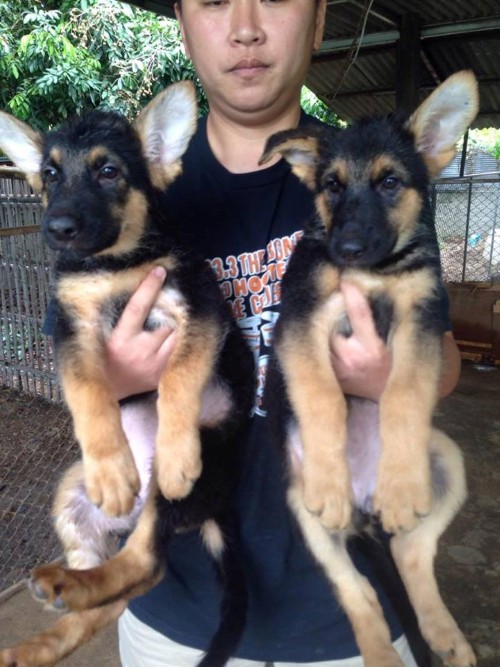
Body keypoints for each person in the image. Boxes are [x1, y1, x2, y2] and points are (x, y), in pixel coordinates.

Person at [104, 1, 462, 665]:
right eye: (215, 2)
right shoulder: (135, 184)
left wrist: (382, 378)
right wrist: (119, 375)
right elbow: (76, 352)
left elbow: (441, 357)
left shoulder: (382, 165)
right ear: (182, 22)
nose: (245, 27)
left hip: (350, 611)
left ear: (320, 19)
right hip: (176, 611)